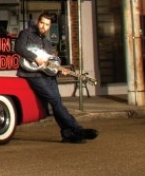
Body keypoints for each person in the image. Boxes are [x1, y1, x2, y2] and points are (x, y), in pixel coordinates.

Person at [15, 12, 97, 144]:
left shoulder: (47, 43)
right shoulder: (26, 33)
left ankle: (68, 134)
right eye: (42, 23)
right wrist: (34, 57)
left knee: (57, 103)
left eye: (47, 25)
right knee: (55, 101)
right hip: (33, 74)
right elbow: (18, 48)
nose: (43, 26)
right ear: (38, 22)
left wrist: (59, 71)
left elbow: (48, 65)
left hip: (48, 76)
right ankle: (77, 129)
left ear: (50, 26)